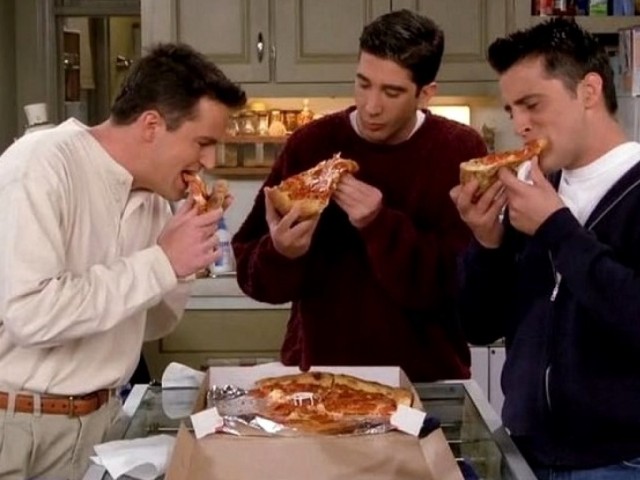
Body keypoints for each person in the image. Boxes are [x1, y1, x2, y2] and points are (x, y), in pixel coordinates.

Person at [0, 43, 246, 479]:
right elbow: (29, 314)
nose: (211, 162)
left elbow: (152, 323)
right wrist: (162, 261)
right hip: (20, 428)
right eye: (203, 143)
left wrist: (183, 262)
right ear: (152, 125)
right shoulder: (41, 164)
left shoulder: (154, 199)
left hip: (103, 421)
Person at [232, 9, 487, 382]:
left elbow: (456, 288)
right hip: (321, 376)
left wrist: (379, 224)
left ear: (426, 94)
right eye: (363, 83)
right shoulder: (310, 144)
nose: (371, 105)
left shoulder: (459, 150)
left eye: (391, 92)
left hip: (427, 378)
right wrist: (282, 253)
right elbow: (251, 276)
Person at [450, 18, 640, 479]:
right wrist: (487, 244)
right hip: (528, 453)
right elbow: (479, 326)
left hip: (619, 461)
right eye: (511, 109)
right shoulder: (536, 188)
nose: (519, 124)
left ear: (589, 91)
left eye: (532, 104)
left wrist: (557, 229)